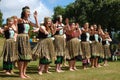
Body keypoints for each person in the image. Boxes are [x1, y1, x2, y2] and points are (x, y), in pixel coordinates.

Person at [16, 6, 38, 78]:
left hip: (26, 38)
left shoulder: (28, 21)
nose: (29, 13)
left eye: (29, 12)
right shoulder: (19, 20)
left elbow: (37, 26)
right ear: (24, 12)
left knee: (27, 57)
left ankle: (24, 73)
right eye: (27, 12)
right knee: (22, 57)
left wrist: (35, 17)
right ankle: (20, 74)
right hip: (21, 38)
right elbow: (14, 23)